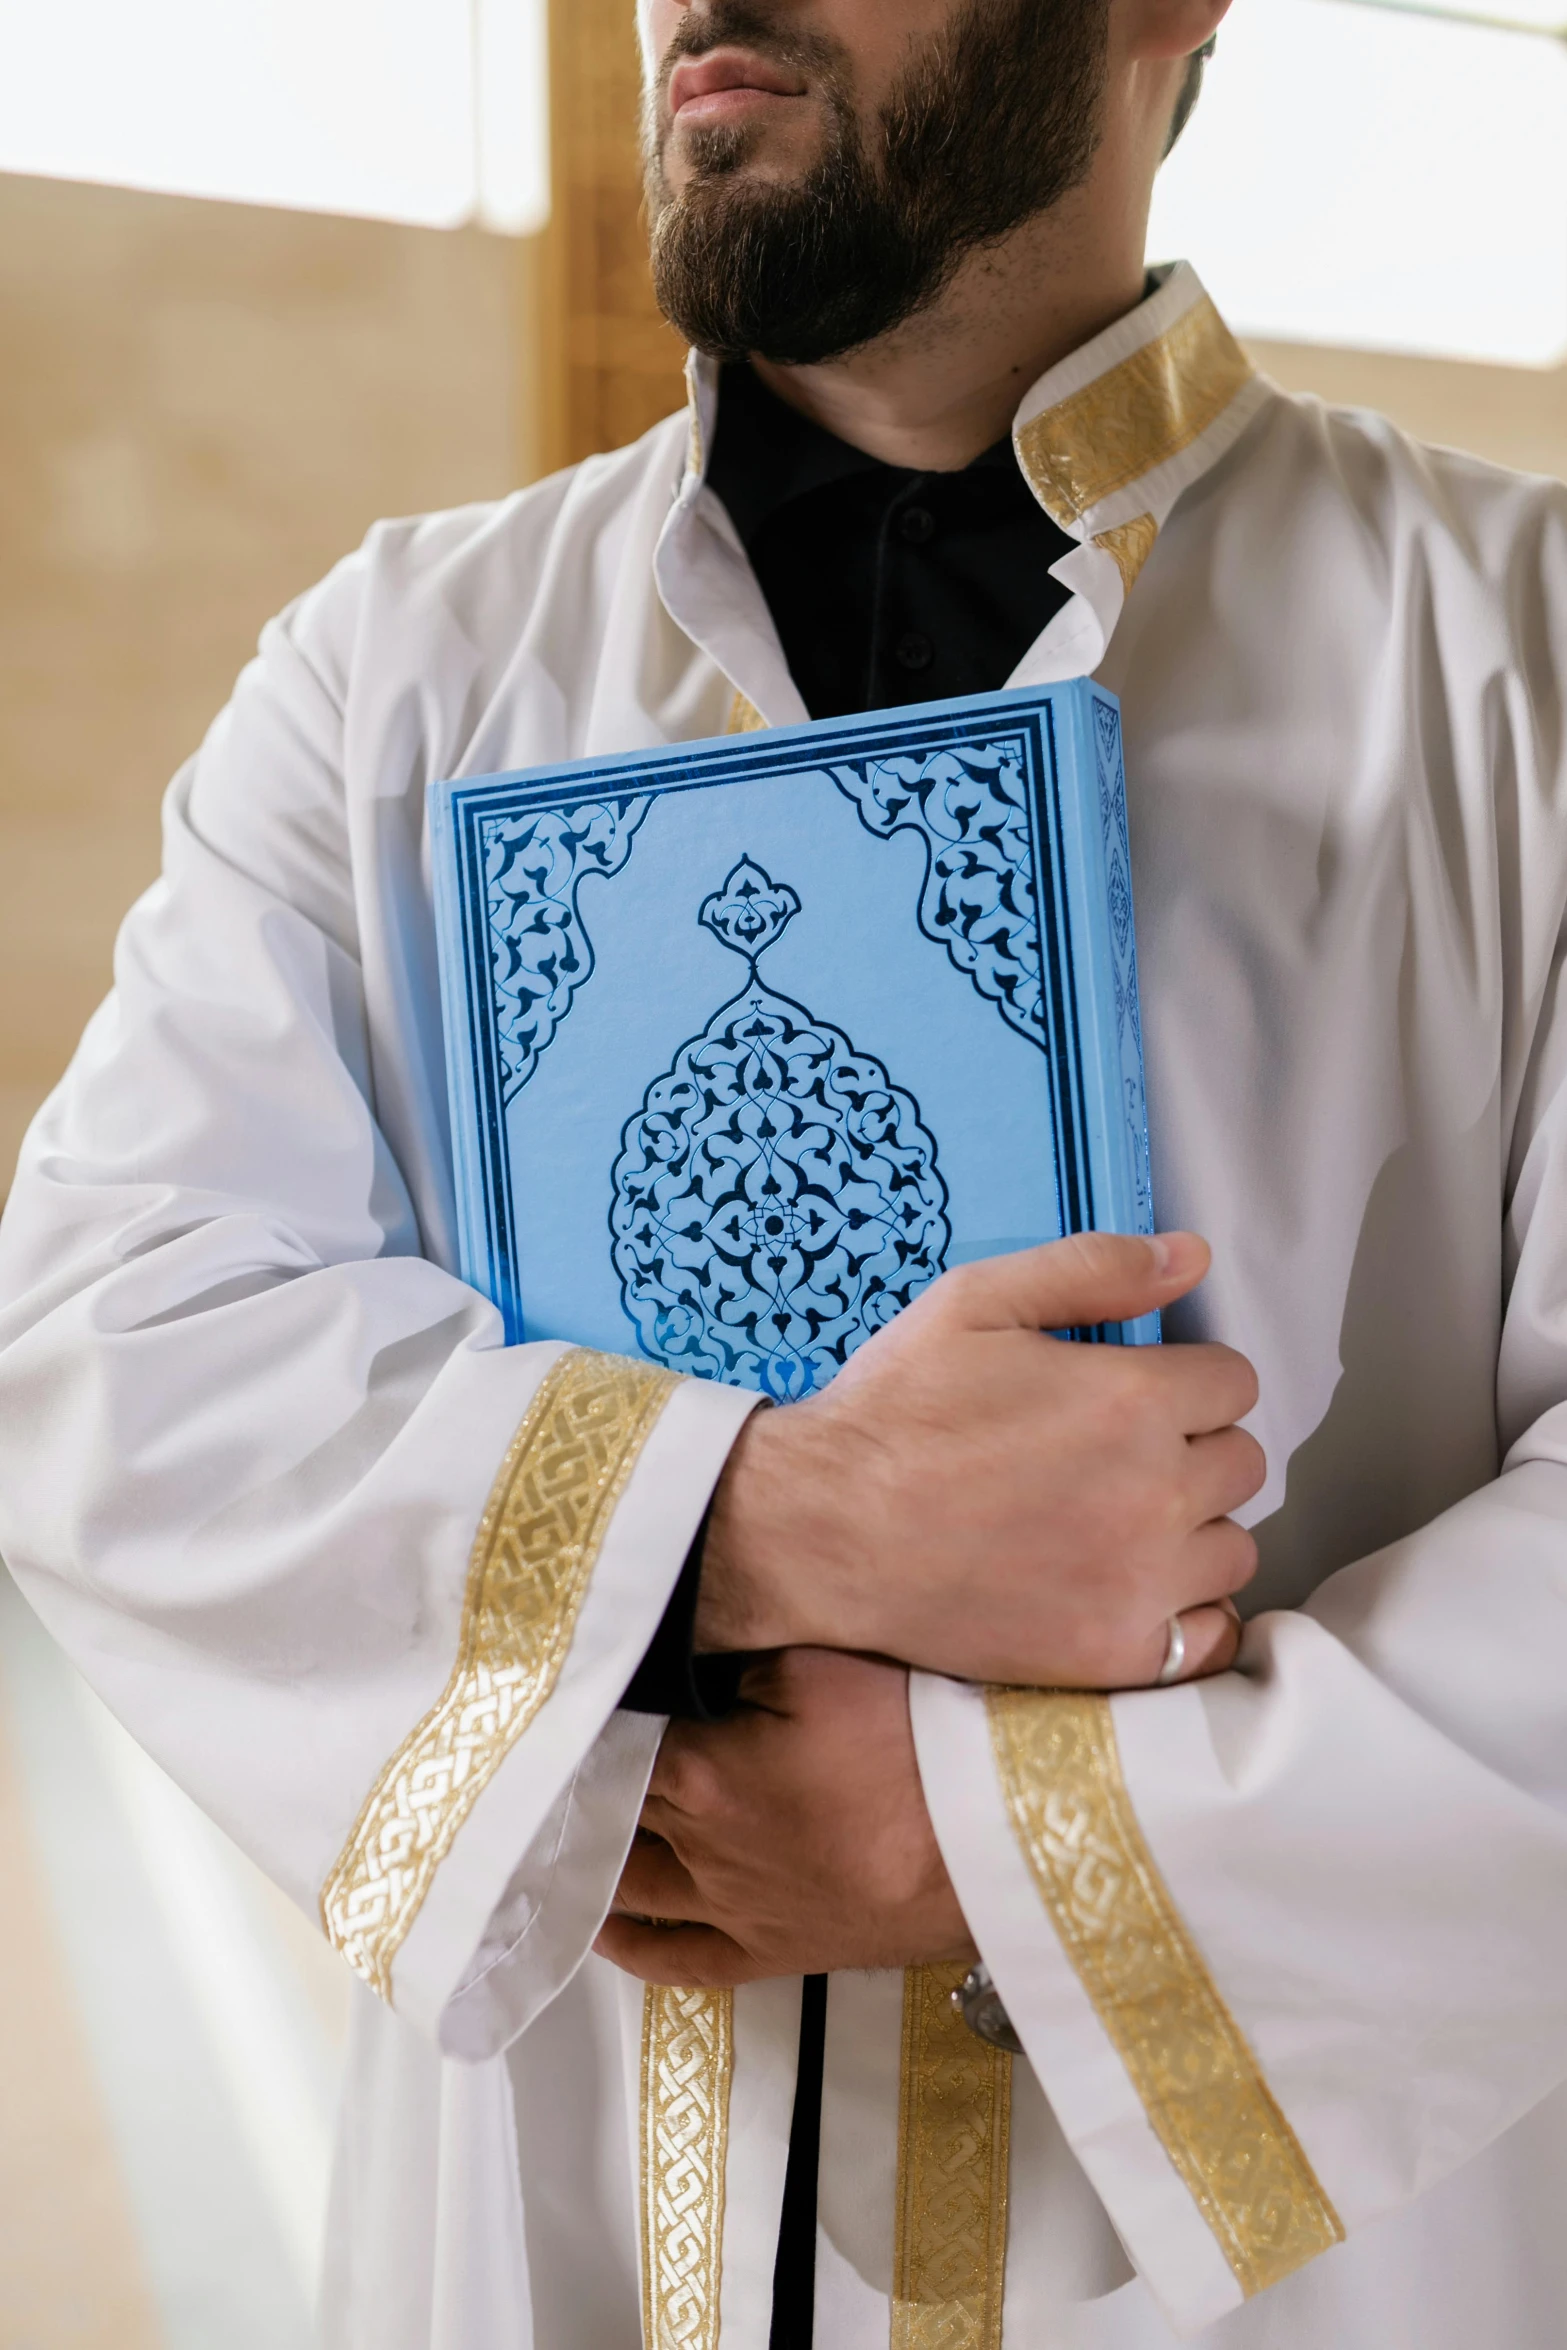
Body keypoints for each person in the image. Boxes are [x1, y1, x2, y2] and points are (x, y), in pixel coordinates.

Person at [2, 0, 1567, 2340]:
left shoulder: (1520, 666)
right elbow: (111, 1328)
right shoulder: (397, 667)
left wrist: (1001, 1842)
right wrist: (756, 1514)